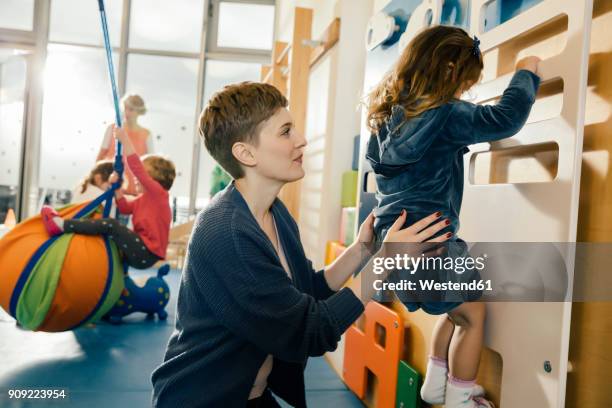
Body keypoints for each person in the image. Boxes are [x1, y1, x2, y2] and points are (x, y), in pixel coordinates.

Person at [150, 82, 451, 407]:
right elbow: (309, 331)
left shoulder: (274, 212)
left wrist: (362, 250)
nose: (302, 140)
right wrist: (384, 263)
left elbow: (305, 290)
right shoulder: (228, 233)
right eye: (285, 131)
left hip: (252, 395)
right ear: (245, 153)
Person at [365, 26, 540, 407]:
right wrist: (526, 73)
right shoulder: (445, 115)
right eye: (463, 84)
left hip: (394, 249)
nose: (462, 93)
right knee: (472, 314)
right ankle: (461, 397)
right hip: (432, 247)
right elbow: (504, 120)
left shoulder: (385, 119)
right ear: (448, 70)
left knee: (453, 310)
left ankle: (435, 385)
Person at [41, 127, 176, 270]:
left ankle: (62, 225)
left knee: (110, 225)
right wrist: (116, 188)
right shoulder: (143, 200)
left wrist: (125, 141)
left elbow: (137, 169)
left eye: (143, 173)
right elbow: (124, 208)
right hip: (140, 250)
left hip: (147, 252)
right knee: (110, 239)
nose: (135, 178)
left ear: (155, 179)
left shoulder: (159, 195)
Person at [97, 94, 154, 195]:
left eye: (131, 109)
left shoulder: (146, 135)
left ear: (139, 111)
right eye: (125, 108)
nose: (126, 112)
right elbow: (100, 158)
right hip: (111, 186)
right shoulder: (112, 129)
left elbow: (151, 166)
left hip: (134, 190)